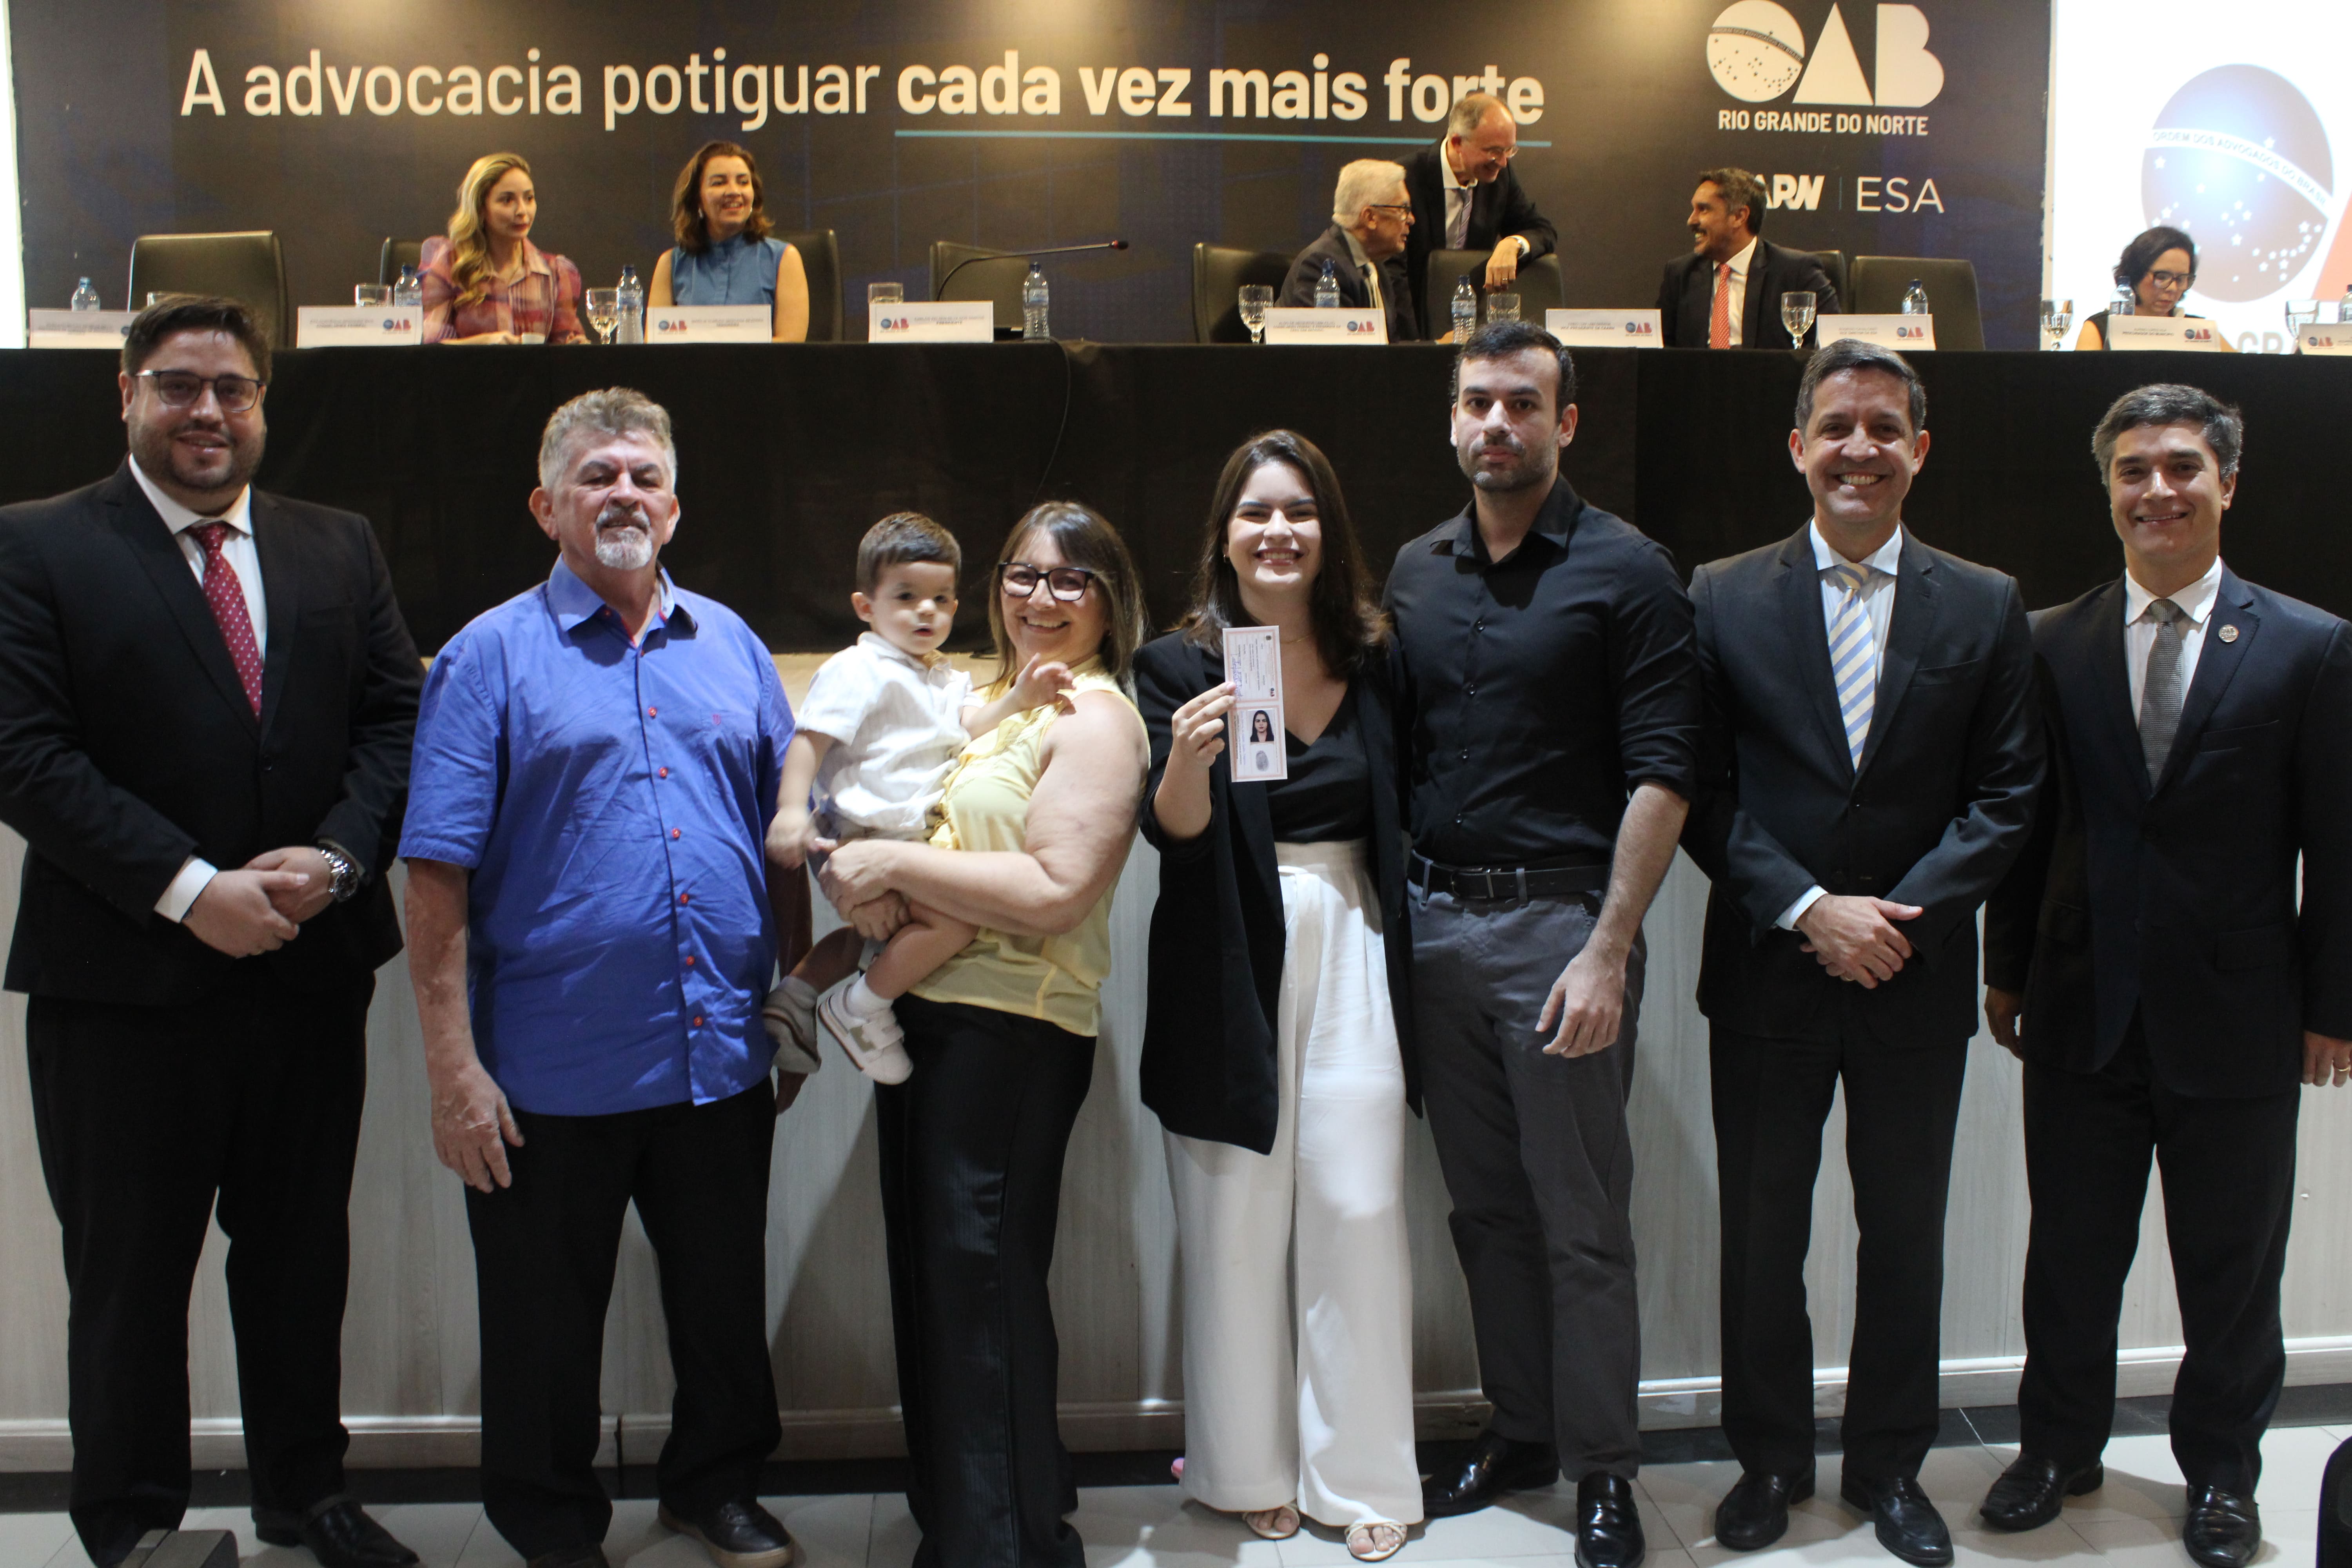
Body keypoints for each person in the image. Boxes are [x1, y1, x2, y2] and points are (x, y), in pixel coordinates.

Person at [0, 297, 423, 1568]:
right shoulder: (35, 545)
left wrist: (339, 861)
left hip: (307, 974)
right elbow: (25, 754)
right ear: (126, 394)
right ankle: (135, 1527)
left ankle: (307, 1496)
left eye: (232, 390)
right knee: (130, 1276)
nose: (208, 412)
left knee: (299, 1260)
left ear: (262, 404)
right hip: (122, 986)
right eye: (179, 386)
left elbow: (396, 724)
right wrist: (192, 890)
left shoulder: (336, 544)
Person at [399, 388, 801, 1568]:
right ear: (547, 506)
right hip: (546, 1070)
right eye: (597, 476)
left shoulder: (732, 645)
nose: (622, 494)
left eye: (643, 477)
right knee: (542, 1326)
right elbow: (435, 874)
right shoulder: (486, 656)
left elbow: (780, 837)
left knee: (722, 1301)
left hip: (719, 1052)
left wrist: (791, 1000)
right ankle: (551, 1523)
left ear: (674, 507)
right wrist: (452, 1070)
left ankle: (715, 1486)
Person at [1679, 339, 2041, 1566]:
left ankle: (1889, 1466)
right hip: (1767, 975)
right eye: (1836, 426)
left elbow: (2006, 796)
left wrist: (1891, 920)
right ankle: (1769, 1461)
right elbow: (1701, 790)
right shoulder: (1720, 594)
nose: (1859, 449)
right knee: (1761, 1237)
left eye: (1884, 429)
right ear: (1798, 446)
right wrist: (1807, 909)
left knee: (1903, 1236)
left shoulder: (1983, 603)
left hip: (1911, 979)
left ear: (1918, 451)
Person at [1978, 384, 2351, 1568]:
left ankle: (2222, 1475)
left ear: (2226, 483)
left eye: (2182, 466)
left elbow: (2338, 844)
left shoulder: (2307, 644)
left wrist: (2334, 1006)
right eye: (2132, 470)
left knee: (2232, 1272)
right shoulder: (2048, 638)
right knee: (2069, 1257)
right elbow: (2023, 826)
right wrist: (2004, 969)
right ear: (2106, 489)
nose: (2157, 490)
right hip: (2078, 1006)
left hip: (2241, 1017)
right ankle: (2056, 1449)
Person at [1390, 321, 1698, 1568]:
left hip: (1559, 933)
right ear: (1450, 420)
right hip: (1430, 930)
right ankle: (1520, 1429)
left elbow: (1665, 772)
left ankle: (1604, 1468)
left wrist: (1609, 948)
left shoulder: (1629, 570)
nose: (1497, 423)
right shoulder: (1414, 571)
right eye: (1478, 401)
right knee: (1484, 1211)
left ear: (1564, 423)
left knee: (1580, 1219)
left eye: (1522, 402)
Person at [813, 501, 1149, 1568]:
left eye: (1070, 579)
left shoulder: (1097, 717)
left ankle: (1006, 1548)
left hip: (1014, 1032)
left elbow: (1055, 890)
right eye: (1022, 573)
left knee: (980, 1296)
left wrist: (892, 866)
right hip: (933, 1021)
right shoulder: (986, 703)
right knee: (940, 1288)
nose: (1040, 597)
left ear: (1109, 602)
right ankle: (974, 1524)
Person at [1136, 430, 1419, 1563]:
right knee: (1235, 1219)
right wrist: (1183, 765)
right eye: (1255, 512)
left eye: (1299, 510)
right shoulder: (1182, 663)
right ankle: (1244, 1467)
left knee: (1358, 1202)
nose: (1278, 531)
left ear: (1328, 530)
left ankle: (1362, 1473)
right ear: (1224, 535)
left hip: (1354, 931)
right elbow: (1178, 838)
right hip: (1225, 946)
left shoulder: (1378, 657)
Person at [762, 511, 1074, 1082]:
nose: (926, 611)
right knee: (954, 922)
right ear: (866, 606)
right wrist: (789, 810)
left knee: (873, 937)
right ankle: (861, 1009)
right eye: (906, 597)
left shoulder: (944, 677)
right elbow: (809, 741)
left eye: (941, 599)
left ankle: (798, 994)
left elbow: (971, 725)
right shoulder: (859, 670)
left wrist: (1019, 698)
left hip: (915, 836)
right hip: (870, 834)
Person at [1401, 91, 1557, 333]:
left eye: (1510, 150)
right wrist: (1417, 343)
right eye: (1494, 151)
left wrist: (1512, 244)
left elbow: (1542, 230)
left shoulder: (1500, 177)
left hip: (1472, 323)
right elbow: (1393, 273)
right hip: (1414, 321)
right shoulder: (1406, 177)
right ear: (1457, 143)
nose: (1503, 162)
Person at [1657, 167, 1840, 350]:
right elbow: (1660, 349)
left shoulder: (1797, 272)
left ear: (1739, 216)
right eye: (1694, 209)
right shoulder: (1680, 274)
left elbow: (1832, 348)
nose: (1691, 220)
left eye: (1703, 210)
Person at [648, 140, 813, 342]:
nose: (734, 191)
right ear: (697, 199)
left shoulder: (784, 259)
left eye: (743, 182)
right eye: (719, 183)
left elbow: (791, 343)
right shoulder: (671, 264)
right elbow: (655, 346)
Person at [420, 152, 587, 345]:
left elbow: (564, 346)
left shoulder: (556, 272)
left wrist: (577, 347)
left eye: (529, 198)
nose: (523, 211)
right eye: (507, 200)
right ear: (481, 208)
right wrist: (485, 343)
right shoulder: (449, 264)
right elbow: (431, 346)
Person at [1277, 160, 1421, 343]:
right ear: (1370, 217)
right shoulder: (1322, 266)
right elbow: (1337, 352)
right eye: (1403, 209)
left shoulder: (1375, 267)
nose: (1411, 219)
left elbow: (1389, 348)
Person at [2074, 227, 2236, 352]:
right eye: (2162, 277)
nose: (2173, 288)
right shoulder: (2101, 329)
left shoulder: (2199, 331)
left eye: (2181, 279)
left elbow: (2243, 374)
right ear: (2135, 274)